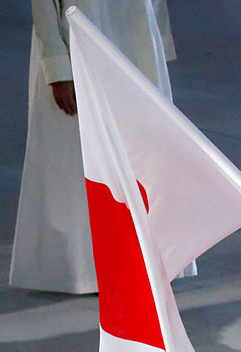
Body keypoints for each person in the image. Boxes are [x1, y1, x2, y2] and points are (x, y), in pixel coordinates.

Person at [10, 0, 186, 293]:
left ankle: (142, 262)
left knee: (140, 157)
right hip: (79, 45)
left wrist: (158, 43)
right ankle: (83, 268)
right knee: (76, 161)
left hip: (138, 41)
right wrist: (57, 67)